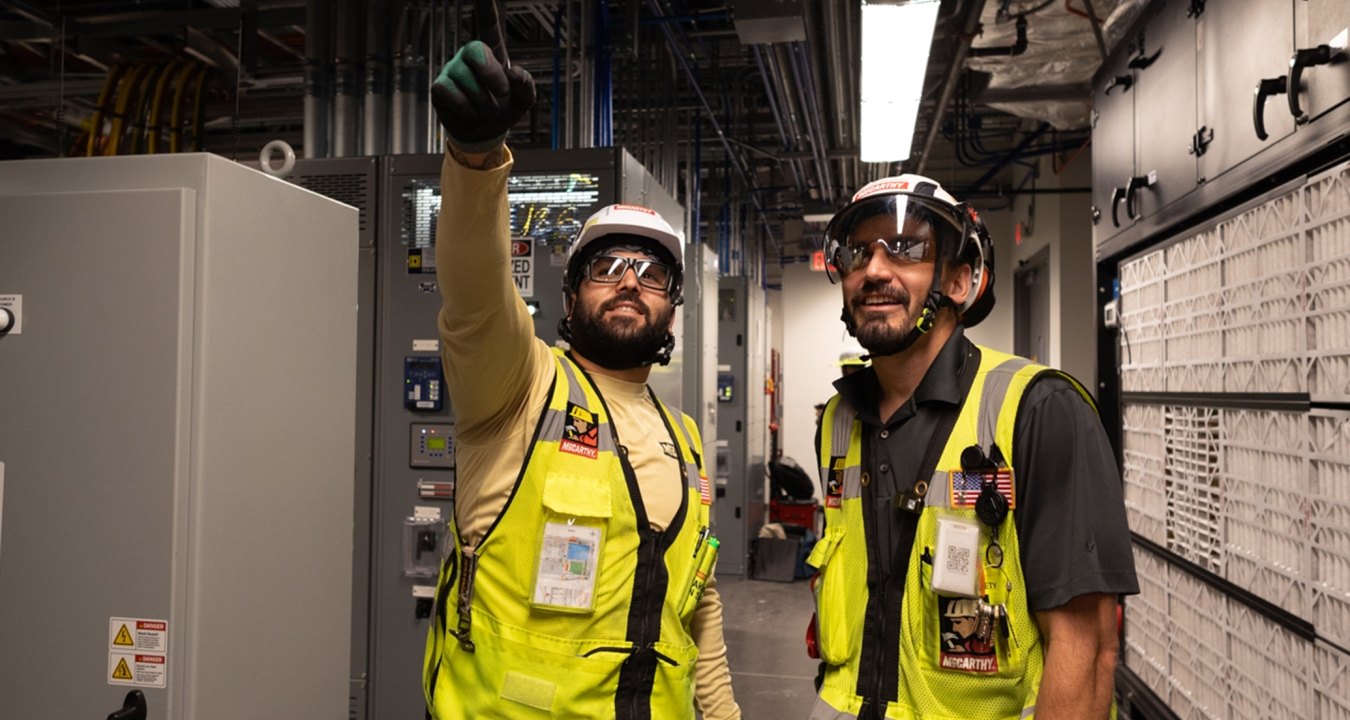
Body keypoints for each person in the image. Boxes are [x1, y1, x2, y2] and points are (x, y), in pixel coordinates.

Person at [420, 3, 741, 718]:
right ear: (570, 296)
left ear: (672, 307)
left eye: (651, 272)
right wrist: (476, 158)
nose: (630, 280)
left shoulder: (683, 439)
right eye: (608, 266)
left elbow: (699, 605)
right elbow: (475, 288)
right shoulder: (518, 386)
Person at [807, 174, 1138, 719]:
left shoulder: (1038, 411)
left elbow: (1087, 647)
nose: (874, 270)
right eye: (857, 253)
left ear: (959, 281)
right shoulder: (839, 422)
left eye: (907, 249)